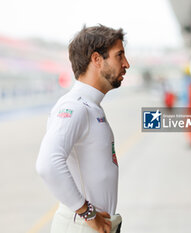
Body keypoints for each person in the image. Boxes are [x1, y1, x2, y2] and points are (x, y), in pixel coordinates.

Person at [36, 25, 130, 233]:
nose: (126, 64)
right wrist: (88, 213)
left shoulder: (91, 106)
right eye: (119, 55)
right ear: (97, 59)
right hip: (81, 225)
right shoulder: (74, 106)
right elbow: (47, 163)